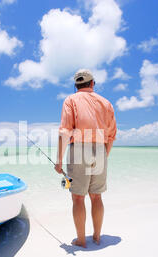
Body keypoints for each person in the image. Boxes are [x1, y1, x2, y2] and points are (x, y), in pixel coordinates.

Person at [55, 69, 117, 247]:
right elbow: (112, 135)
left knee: (78, 198)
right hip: (100, 149)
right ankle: (97, 237)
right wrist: (104, 154)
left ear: (76, 86)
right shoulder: (106, 103)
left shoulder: (71, 100)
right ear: (92, 84)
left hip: (79, 149)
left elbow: (65, 131)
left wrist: (59, 160)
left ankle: (81, 240)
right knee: (96, 197)